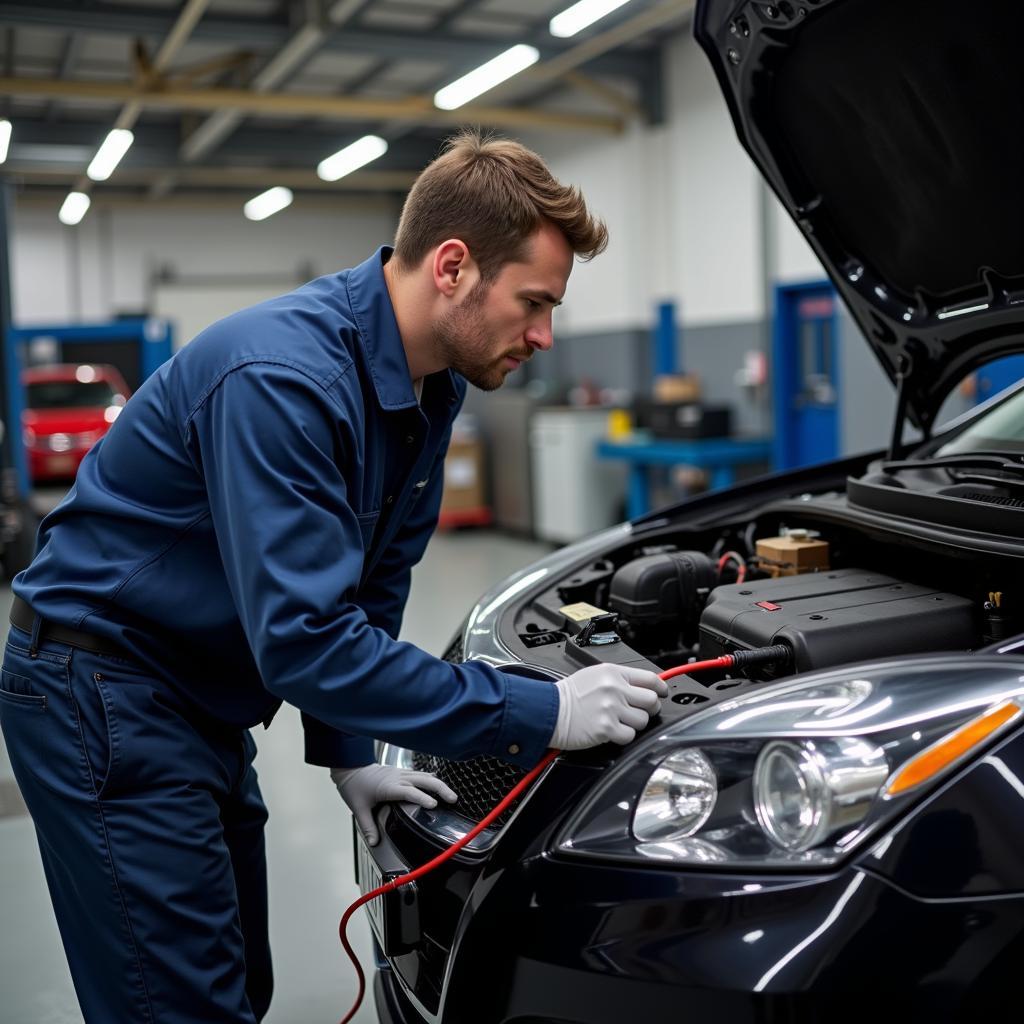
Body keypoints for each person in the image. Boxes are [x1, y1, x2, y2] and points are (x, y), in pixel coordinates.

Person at [0, 130, 668, 1024]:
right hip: (101, 689)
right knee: (176, 1006)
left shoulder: (432, 387)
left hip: (194, 692)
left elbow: (370, 584)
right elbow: (306, 641)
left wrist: (350, 751)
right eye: (534, 303)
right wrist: (542, 711)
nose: (544, 336)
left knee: (237, 981)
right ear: (454, 266)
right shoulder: (285, 378)